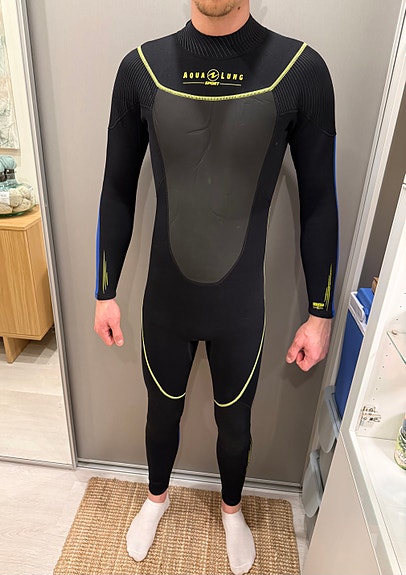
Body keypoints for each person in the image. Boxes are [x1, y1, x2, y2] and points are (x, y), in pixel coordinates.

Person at [94, 1, 338, 573]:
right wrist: (104, 291)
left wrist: (321, 311)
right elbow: (116, 188)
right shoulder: (141, 69)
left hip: (240, 306)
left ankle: (233, 511)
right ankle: (156, 499)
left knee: (236, 425)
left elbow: (320, 200)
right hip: (166, 301)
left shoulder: (299, 70)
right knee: (161, 413)